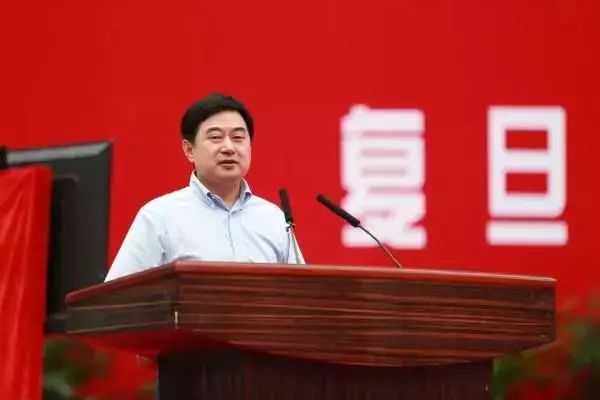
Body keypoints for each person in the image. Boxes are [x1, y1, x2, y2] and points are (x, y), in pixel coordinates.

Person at [105, 93, 303, 281]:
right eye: (216, 137)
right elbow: (119, 295)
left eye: (238, 138)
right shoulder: (159, 217)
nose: (229, 148)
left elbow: (301, 293)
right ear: (189, 150)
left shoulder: (274, 219)